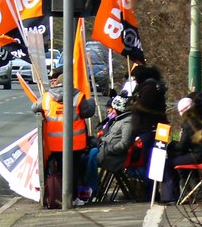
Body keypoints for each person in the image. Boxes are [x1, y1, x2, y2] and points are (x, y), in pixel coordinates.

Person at [32, 71, 95, 205]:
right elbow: (87, 112)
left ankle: (61, 196)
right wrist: (92, 102)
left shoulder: (47, 97)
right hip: (75, 142)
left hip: (54, 143)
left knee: (60, 169)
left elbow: (34, 107)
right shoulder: (78, 96)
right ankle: (72, 198)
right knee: (74, 170)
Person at [160, 94, 202, 204]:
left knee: (167, 163)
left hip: (198, 155)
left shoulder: (190, 123)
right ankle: (189, 193)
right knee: (180, 162)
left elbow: (182, 145)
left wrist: (171, 145)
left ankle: (170, 196)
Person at [83, 91, 135, 193]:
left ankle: (92, 188)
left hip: (114, 157)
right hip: (107, 153)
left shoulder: (127, 122)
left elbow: (124, 143)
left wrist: (108, 148)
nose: (111, 111)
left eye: (113, 109)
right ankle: (90, 187)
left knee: (92, 154)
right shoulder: (119, 120)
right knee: (84, 159)